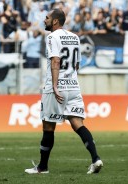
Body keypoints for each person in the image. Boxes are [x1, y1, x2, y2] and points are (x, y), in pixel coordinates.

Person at [24, 8, 103, 175]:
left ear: (54, 21)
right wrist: (70, 78)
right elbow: (77, 64)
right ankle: (96, 159)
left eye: (46, 18)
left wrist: (54, 85)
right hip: (73, 85)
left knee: (48, 126)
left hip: (57, 87)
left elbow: (55, 61)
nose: (44, 20)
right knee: (77, 124)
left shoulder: (52, 37)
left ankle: (42, 167)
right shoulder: (75, 37)